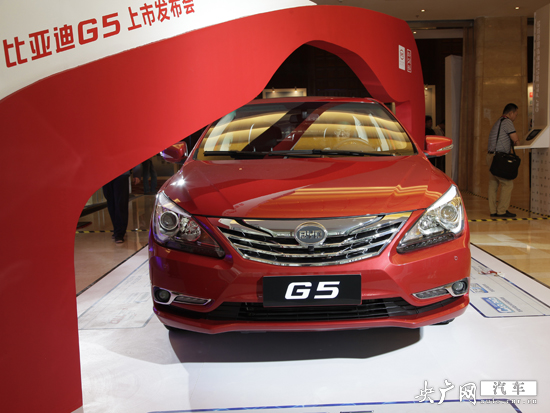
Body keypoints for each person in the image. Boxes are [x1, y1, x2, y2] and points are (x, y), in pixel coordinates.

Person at [486, 103, 520, 218]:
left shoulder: (498, 121)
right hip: (499, 158)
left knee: (493, 183)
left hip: (491, 156)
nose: (516, 117)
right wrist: (519, 144)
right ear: (510, 113)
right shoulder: (507, 122)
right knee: (507, 183)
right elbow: (515, 139)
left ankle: (493, 211)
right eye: (516, 114)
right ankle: (502, 210)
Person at [102, 171, 135, 244]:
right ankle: (117, 229)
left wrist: (137, 172)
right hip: (105, 175)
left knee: (121, 203)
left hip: (121, 174)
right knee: (111, 203)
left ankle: (119, 233)